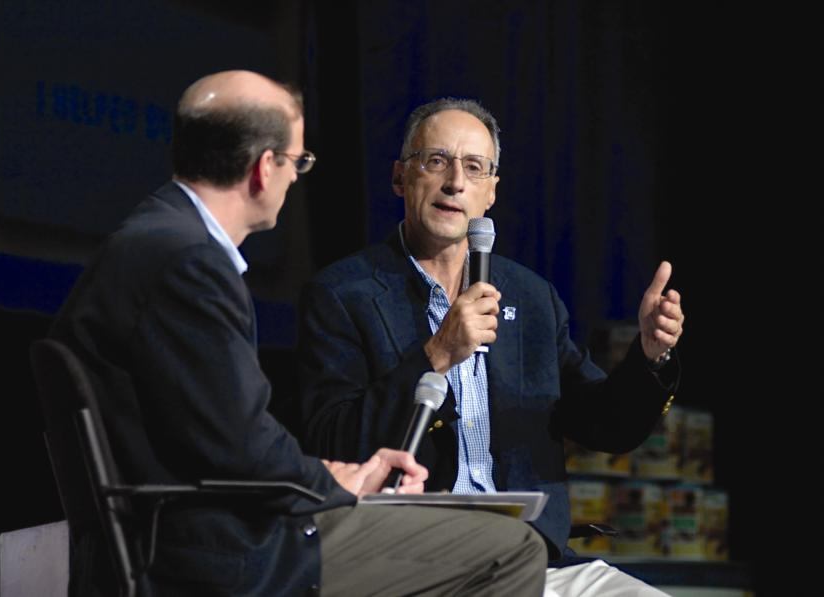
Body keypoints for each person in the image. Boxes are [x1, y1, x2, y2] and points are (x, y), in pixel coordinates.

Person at [48, 72, 547, 596]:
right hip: (217, 552)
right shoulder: (190, 263)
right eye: (298, 162)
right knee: (511, 546)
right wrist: (331, 483)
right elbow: (238, 445)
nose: (294, 179)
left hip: (182, 532)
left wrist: (326, 473)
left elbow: (223, 432)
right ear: (267, 168)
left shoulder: (153, 237)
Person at [297, 98, 684, 595]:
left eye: (475, 168)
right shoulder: (342, 294)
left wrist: (650, 356)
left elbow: (605, 424)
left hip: (534, 557)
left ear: (491, 194)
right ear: (400, 178)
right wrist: (435, 352)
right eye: (436, 161)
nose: (455, 181)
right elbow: (331, 441)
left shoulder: (530, 297)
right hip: (414, 559)